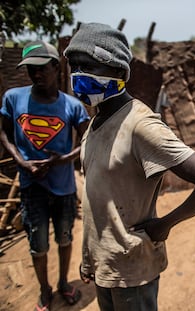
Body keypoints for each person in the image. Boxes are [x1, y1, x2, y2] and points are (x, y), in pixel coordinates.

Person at [63, 22, 195, 311]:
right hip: (106, 267)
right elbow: (98, 203)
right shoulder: (94, 124)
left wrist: (162, 226)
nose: (78, 75)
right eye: (74, 66)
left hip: (133, 272)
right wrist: (89, 258)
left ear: (118, 72)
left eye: (88, 66)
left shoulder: (140, 124)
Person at [0, 40, 90, 311]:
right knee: (37, 245)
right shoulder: (13, 98)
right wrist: (22, 163)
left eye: (41, 68)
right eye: (30, 70)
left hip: (63, 188)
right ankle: (44, 289)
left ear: (55, 66)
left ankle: (63, 283)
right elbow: (4, 133)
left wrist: (61, 160)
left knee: (65, 239)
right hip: (31, 188)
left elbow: (88, 141)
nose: (36, 74)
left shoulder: (72, 106)